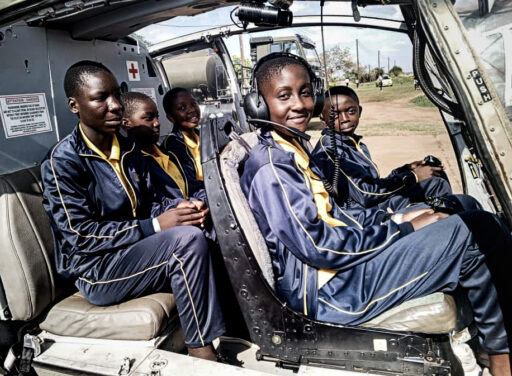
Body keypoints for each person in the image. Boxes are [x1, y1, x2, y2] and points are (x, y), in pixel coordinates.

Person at [239, 54, 511, 376]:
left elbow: (338, 217)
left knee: (464, 215)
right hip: (333, 293)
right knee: (475, 229)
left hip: (341, 273)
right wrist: (402, 231)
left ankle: (492, 348)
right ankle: (501, 358)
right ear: (258, 103)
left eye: (306, 92)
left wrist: (400, 220)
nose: (299, 104)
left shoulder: (290, 149)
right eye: (284, 95)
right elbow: (319, 246)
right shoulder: (273, 167)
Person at [41, 61, 224, 361]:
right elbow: (80, 236)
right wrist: (155, 226)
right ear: (74, 105)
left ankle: (237, 328)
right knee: (186, 242)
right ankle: (201, 351)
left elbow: (150, 202)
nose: (115, 106)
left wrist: (180, 208)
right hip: (97, 270)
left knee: (207, 227)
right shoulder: (62, 162)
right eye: (101, 98)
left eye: (117, 94)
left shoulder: (127, 149)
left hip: (134, 250)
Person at [311, 85, 456, 212]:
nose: (344, 118)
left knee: (435, 175)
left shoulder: (354, 143)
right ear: (323, 121)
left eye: (350, 111)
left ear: (359, 111)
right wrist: (413, 176)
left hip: (371, 204)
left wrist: (406, 169)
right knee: (436, 185)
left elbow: (373, 184)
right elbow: (365, 194)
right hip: (363, 215)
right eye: (334, 115)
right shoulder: (329, 150)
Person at [121, 91, 207, 203]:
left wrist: (201, 199)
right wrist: (188, 205)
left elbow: (192, 187)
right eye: (148, 118)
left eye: (157, 116)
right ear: (126, 123)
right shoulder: (134, 163)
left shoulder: (164, 154)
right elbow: (153, 204)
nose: (157, 123)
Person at [161, 88, 204, 197]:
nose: (192, 110)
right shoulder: (172, 146)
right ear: (171, 117)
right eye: (182, 108)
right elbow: (189, 186)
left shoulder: (204, 136)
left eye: (193, 104)